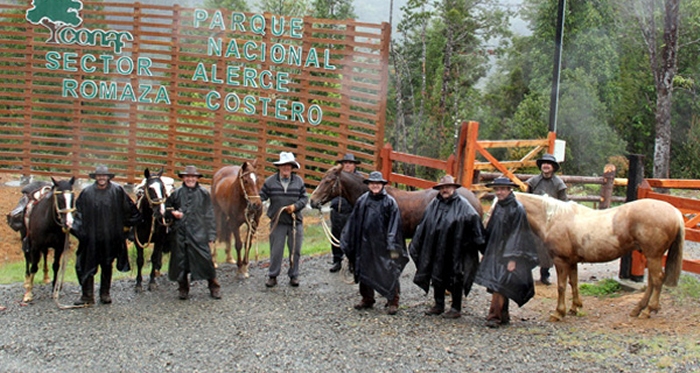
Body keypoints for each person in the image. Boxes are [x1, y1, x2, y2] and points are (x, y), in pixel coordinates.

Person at [409, 175, 486, 319]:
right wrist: (417, 243)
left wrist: (480, 246)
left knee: (456, 276)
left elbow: (475, 223)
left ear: (454, 188)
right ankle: (439, 305)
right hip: (437, 247)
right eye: (442, 188)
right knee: (436, 274)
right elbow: (424, 224)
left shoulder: (463, 205)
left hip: (455, 249)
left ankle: (456, 307)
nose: (445, 190)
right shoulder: (434, 204)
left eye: (448, 187)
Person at [340, 171, 408, 315]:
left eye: (378, 183)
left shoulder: (390, 202)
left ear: (382, 185)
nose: (375, 186)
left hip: (385, 245)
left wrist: (391, 244)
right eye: (372, 183)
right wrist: (349, 240)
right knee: (364, 269)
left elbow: (394, 225)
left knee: (390, 270)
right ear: (369, 185)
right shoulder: (362, 201)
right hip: (365, 244)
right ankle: (367, 299)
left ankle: (393, 300)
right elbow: (354, 222)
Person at [71, 165, 141, 305]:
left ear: (108, 177)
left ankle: (105, 293)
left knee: (107, 265)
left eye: (104, 176)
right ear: (95, 177)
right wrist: (77, 230)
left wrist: (126, 227)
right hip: (91, 239)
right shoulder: (86, 193)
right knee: (86, 266)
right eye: (99, 176)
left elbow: (129, 209)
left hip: (111, 238)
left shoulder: (117, 191)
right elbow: (78, 214)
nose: (102, 178)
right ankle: (87, 296)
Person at [475, 177, 539, 328]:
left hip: (508, 254)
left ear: (510, 190)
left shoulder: (517, 208)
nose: (500, 192)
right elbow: (492, 228)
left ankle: (493, 317)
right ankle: (504, 315)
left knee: (499, 283)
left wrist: (513, 258)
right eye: (497, 189)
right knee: (501, 283)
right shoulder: (499, 206)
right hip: (496, 251)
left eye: (503, 189)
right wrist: (487, 249)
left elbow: (518, 234)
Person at [165, 165, 221, 300]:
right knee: (181, 262)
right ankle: (183, 288)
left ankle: (214, 287)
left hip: (199, 233)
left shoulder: (203, 193)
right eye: (187, 176)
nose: (190, 179)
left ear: (197, 178)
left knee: (206, 260)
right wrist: (173, 213)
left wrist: (211, 234)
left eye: (193, 177)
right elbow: (167, 208)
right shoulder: (176, 193)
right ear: (183, 178)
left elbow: (209, 214)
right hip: (180, 233)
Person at [260, 152, 308, 288]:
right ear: (279, 167)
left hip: (295, 222)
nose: (286, 168)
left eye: (288, 166)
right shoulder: (270, 181)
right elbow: (261, 196)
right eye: (283, 165)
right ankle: (273, 276)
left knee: (295, 250)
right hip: (277, 222)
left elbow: (304, 199)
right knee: (276, 250)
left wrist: (295, 206)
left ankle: (294, 276)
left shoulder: (299, 181)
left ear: (292, 167)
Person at [526, 153, 567, 285]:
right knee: (529, 246)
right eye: (544, 163)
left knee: (547, 249)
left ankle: (545, 275)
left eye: (549, 164)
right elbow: (527, 199)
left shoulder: (559, 184)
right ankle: (525, 275)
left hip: (550, 222)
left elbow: (563, 203)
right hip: (533, 220)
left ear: (553, 167)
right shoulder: (533, 182)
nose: (546, 166)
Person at [329, 153, 361, 273]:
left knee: (352, 238)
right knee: (336, 236)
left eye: (350, 163)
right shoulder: (336, 177)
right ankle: (337, 261)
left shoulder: (359, 179)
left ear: (354, 165)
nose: (347, 165)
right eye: (345, 163)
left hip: (351, 212)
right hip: (337, 210)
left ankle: (352, 262)